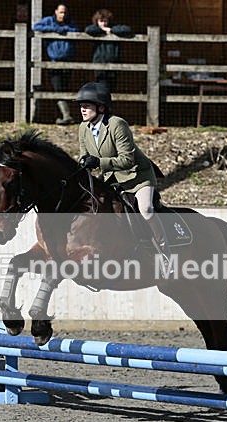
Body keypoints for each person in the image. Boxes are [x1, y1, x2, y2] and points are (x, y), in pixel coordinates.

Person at [75, 82, 172, 277]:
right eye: (81, 105)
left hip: (137, 176)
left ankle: (165, 252)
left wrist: (98, 162)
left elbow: (126, 160)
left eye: (87, 105)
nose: (82, 109)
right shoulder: (83, 128)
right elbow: (83, 156)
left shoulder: (117, 124)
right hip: (111, 178)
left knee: (145, 209)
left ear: (101, 107)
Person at [33, 4, 79, 125]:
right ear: (56, 12)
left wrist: (64, 30)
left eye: (64, 12)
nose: (63, 15)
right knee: (57, 87)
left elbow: (76, 31)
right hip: (54, 60)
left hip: (68, 61)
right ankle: (66, 115)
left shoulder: (70, 23)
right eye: (61, 12)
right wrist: (54, 29)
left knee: (64, 87)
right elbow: (36, 27)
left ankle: (64, 116)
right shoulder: (49, 20)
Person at [84, 9, 132, 92]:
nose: (103, 23)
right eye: (101, 21)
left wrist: (111, 30)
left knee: (111, 90)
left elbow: (127, 29)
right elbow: (88, 29)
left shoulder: (113, 29)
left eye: (105, 21)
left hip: (113, 66)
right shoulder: (96, 30)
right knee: (102, 90)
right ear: (97, 21)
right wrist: (103, 30)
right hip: (100, 67)